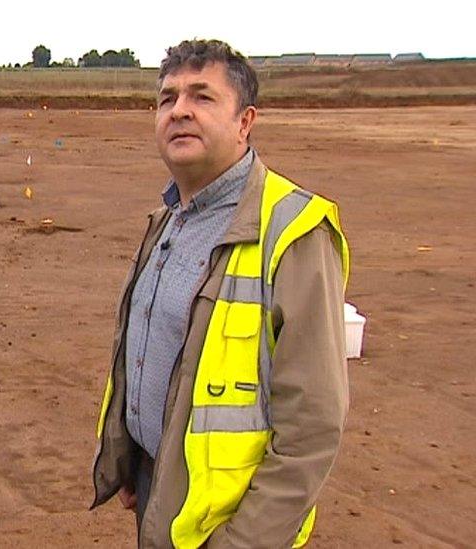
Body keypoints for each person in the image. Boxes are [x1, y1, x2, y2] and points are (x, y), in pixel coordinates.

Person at [90, 39, 351, 548]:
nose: (180, 110)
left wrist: (243, 540)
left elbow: (312, 428)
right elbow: (147, 356)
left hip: (233, 528)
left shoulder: (293, 230)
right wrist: (133, 460)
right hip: (161, 489)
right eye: (167, 99)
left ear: (244, 122)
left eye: (202, 97)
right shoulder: (165, 222)